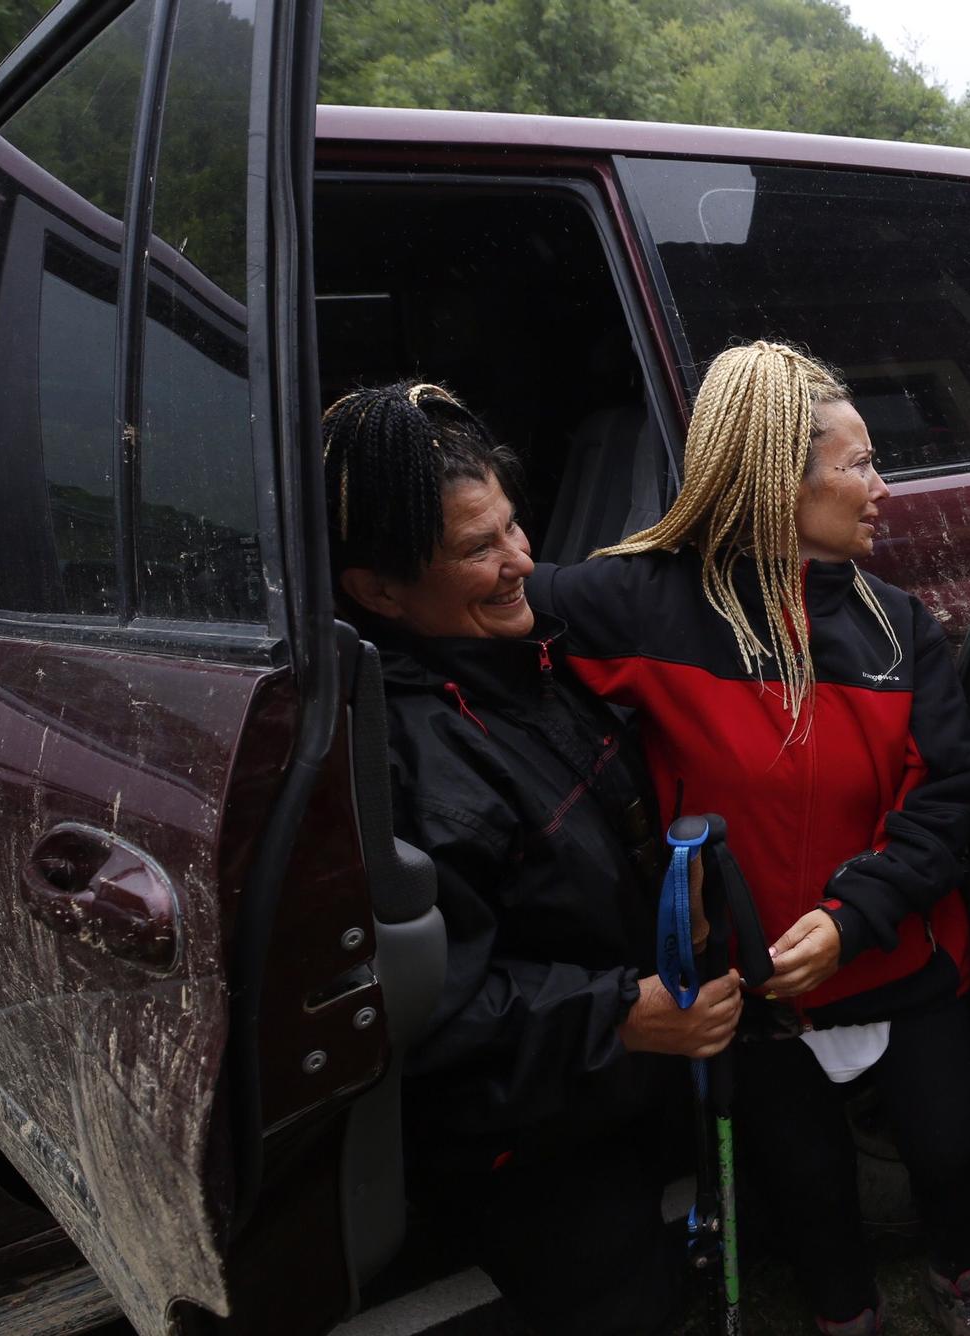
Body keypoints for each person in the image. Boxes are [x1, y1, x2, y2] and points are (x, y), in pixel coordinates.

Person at [526, 342, 970, 1336]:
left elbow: (946, 796)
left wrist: (852, 914)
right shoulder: (639, 603)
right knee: (803, 1181)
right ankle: (845, 1317)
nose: (882, 487)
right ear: (781, 478)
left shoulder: (897, 626)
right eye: (858, 464)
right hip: (751, 985)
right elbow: (489, 618)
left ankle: (966, 1282)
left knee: (952, 1151)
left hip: (898, 955)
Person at [321, 381, 740, 1334]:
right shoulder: (401, 758)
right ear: (379, 591)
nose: (522, 562)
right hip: (530, 1137)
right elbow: (434, 1011)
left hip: (608, 1087)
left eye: (514, 527)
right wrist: (619, 1017)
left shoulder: (519, 659)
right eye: (479, 548)